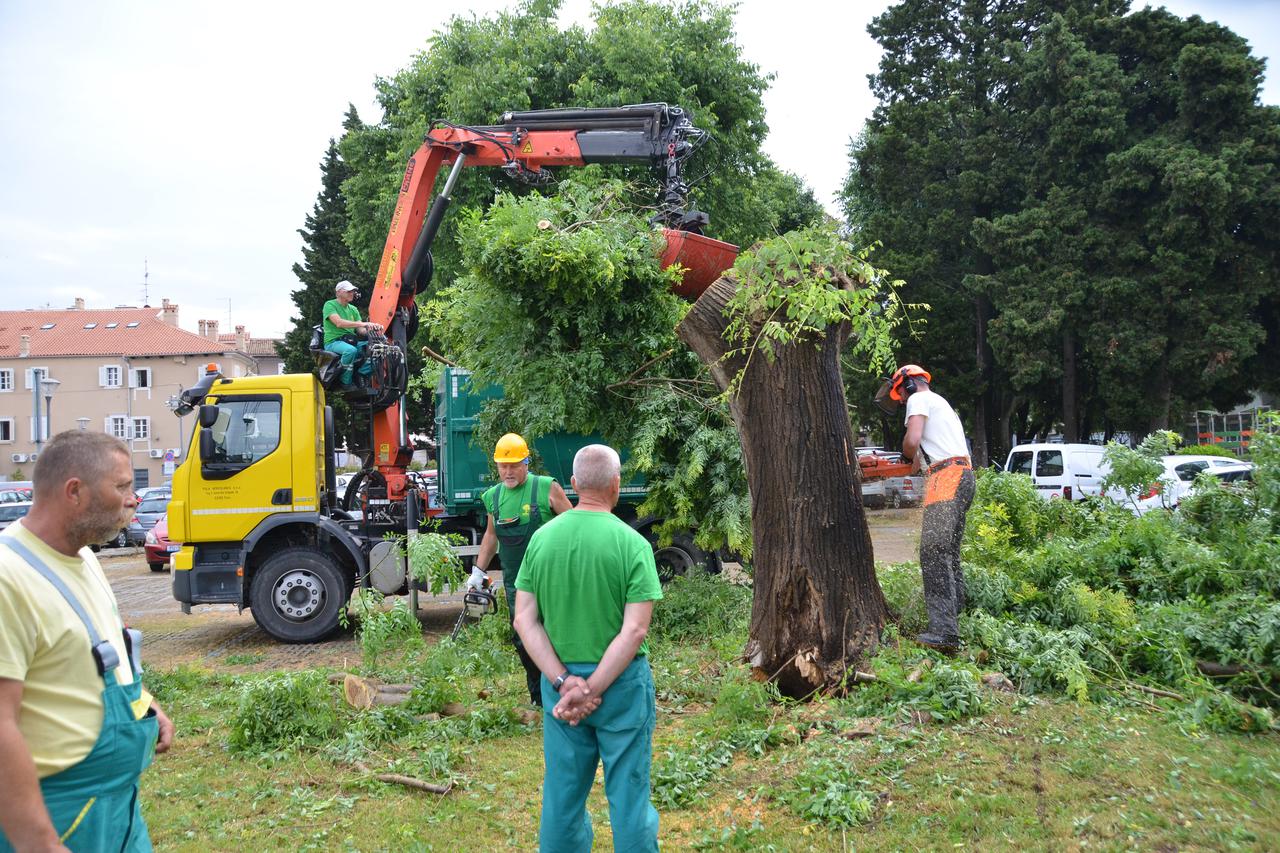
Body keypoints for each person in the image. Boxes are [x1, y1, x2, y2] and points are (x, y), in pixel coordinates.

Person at [0, 431, 175, 852]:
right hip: (60, 817)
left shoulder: (86, 560)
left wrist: (144, 704)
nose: (134, 499)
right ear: (74, 492)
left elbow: (98, 654)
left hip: (117, 811)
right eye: (121, 486)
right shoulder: (9, 577)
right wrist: (39, 842)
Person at [513, 444, 663, 853]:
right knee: (629, 799)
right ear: (617, 485)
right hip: (621, 686)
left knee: (562, 795)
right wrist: (593, 688)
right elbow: (633, 632)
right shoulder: (633, 545)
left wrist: (565, 683)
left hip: (560, 687)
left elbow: (524, 620)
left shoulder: (542, 540)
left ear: (575, 485)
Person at [474, 432, 573, 706]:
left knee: (556, 634)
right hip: (517, 583)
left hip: (553, 579)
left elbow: (574, 524)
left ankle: (567, 688)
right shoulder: (493, 497)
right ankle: (539, 697)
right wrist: (478, 572)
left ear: (526, 462)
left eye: (514, 465)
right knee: (524, 639)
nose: (508, 471)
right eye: (503, 466)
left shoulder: (546, 487)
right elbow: (491, 536)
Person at [889, 364, 974, 654]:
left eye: (899, 393)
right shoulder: (941, 403)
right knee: (948, 552)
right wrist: (901, 467)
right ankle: (958, 617)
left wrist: (904, 452)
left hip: (947, 477)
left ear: (909, 385)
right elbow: (920, 456)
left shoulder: (918, 399)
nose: (900, 399)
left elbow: (912, 441)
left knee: (933, 550)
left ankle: (944, 631)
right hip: (963, 475)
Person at [322, 280, 383, 386]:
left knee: (378, 348)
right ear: (339, 292)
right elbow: (339, 323)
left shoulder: (353, 309)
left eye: (353, 291)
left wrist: (371, 328)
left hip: (351, 342)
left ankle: (361, 374)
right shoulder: (329, 305)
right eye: (349, 291)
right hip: (333, 342)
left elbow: (361, 330)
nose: (352, 293)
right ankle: (345, 382)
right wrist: (364, 324)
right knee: (350, 351)